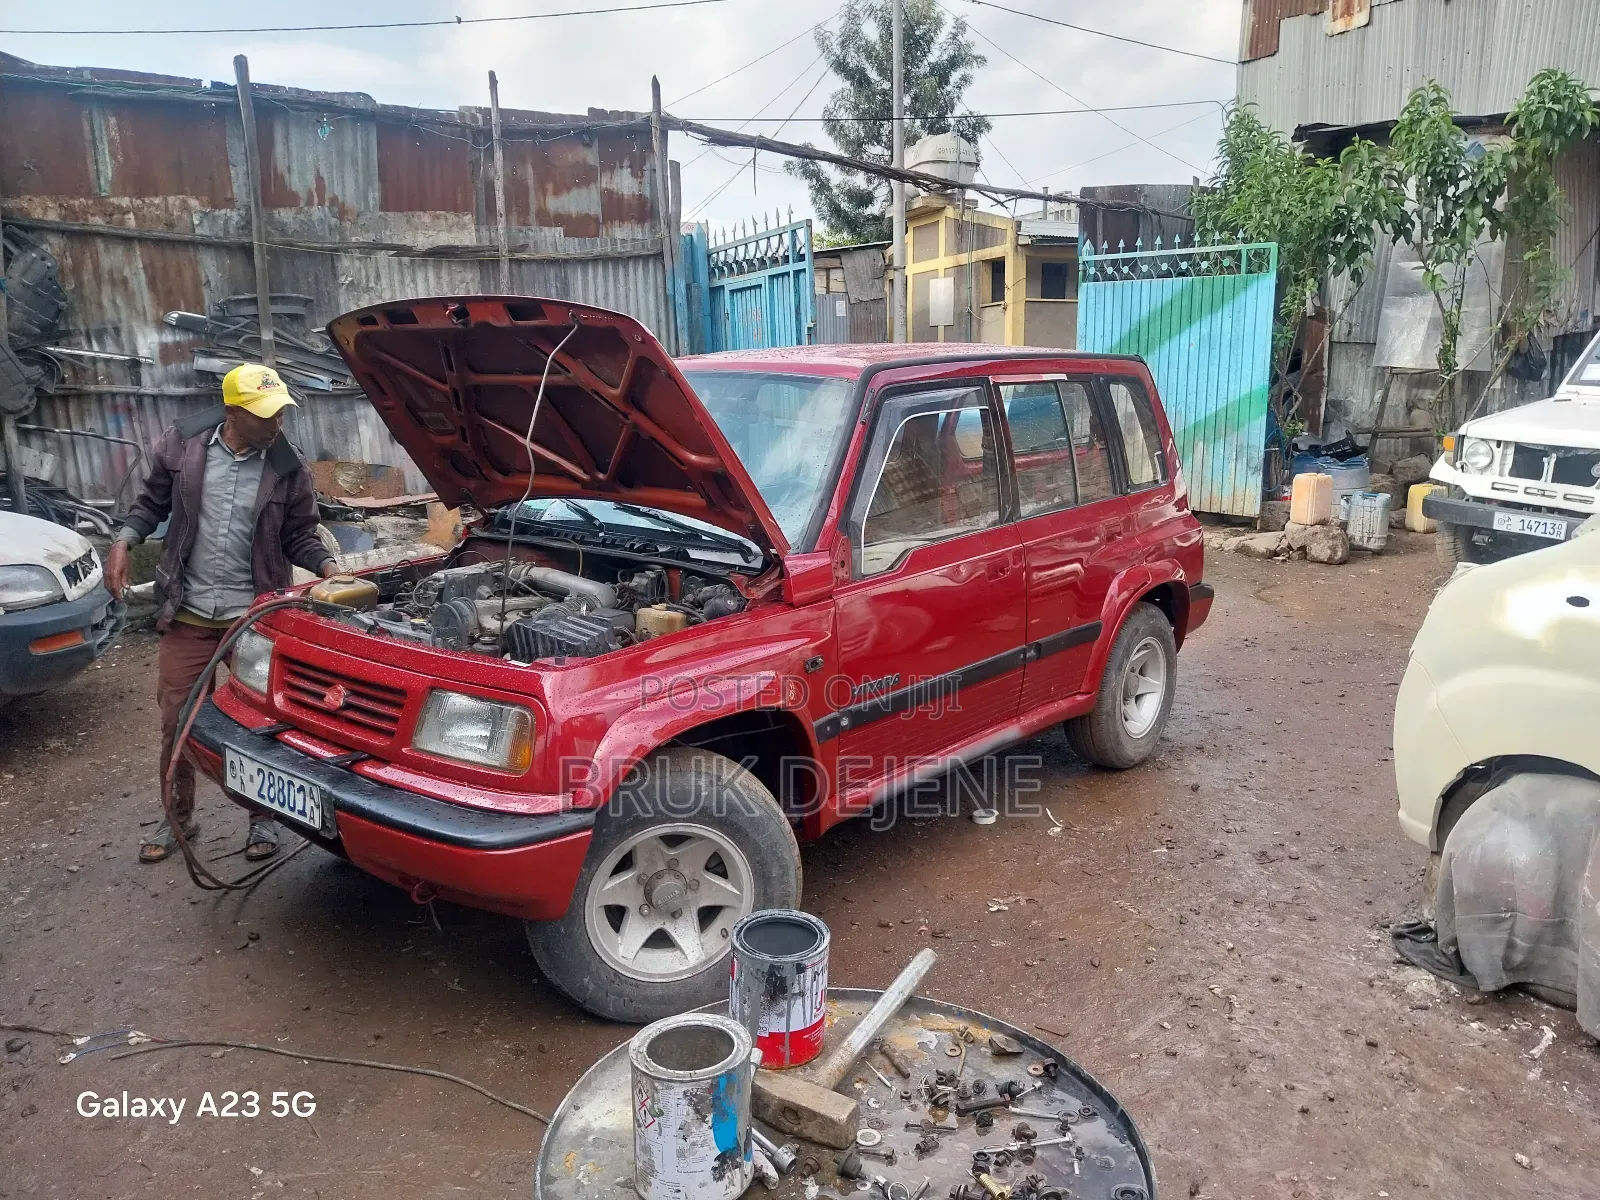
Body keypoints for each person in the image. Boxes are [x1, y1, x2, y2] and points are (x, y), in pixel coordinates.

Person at [104, 364, 337, 864]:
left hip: (255, 621)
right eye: (264, 416)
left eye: (279, 414)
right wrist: (124, 540)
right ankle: (177, 821)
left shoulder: (285, 464)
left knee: (262, 723)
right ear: (232, 411)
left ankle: (264, 821)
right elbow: (150, 504)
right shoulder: (181, 447)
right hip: (188, 614)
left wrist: (330, 568)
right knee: (177, 721)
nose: (276, 424)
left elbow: (300, 534)